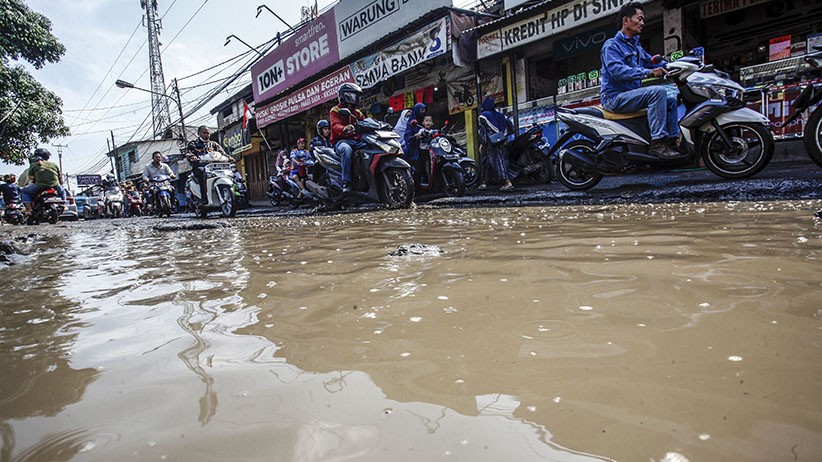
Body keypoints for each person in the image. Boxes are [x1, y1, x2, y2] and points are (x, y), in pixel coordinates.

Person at [600, 2, 679, 159]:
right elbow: (618, 72)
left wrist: (678, 65)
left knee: (670, 100)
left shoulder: (636, 48)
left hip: (631, 95)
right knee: (658, 92)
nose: (643, 23)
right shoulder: (612, 46)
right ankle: (658, 143)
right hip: (614, 98)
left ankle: (672, 141)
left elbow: (653, 61)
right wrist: (648, 73)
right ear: (626, 21)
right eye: (640, 19)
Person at [330, 82, 366, 193]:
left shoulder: (357, 112)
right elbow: (335, 125)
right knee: (346, 150)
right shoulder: (335, 110)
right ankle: (346, 181)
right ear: (345, 96)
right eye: (353, 95)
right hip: (341, 141)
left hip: (356, 140)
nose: (356, 98)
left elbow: (366, 122)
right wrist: (344, 128)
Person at [477, 98, 513, 191]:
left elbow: (483, 132)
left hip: (491, 143)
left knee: (494, 162)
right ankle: (485, 182)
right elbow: (510, 126)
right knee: (498, 161)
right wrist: (505, 136)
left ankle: (507, 182)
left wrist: (482, 144)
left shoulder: (483, 116)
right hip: (502, 140)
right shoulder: (501, 116)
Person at [186, 125, 229, 204]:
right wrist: (193, 157)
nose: (207, 134)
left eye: (208, 133)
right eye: (204, 133)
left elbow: (223, 153)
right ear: (199, 133)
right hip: (200, 166)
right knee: (203, 173)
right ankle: (204, 198)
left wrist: (228, 157)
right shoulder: (193, 144)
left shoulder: (214, 144)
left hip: (214, 167)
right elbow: (189, 153)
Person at [21, 148, 66, 212]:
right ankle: (63, 204)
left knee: (24, 191)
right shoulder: (54, 165)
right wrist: (60, 184)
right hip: (54, 185)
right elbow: (60, 177)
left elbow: (31, 177)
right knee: (62, 191)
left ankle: (29, 209)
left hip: (39, 186)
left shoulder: (33, 165)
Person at [403, 103, 428, 184]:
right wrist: (415, 136)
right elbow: (407, 138)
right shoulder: (411, 123)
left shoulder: (425, 121)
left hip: (426, 148)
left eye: (424, 110)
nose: (423, 112)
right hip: (415, 151)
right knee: (419, 170)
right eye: (421, 111)